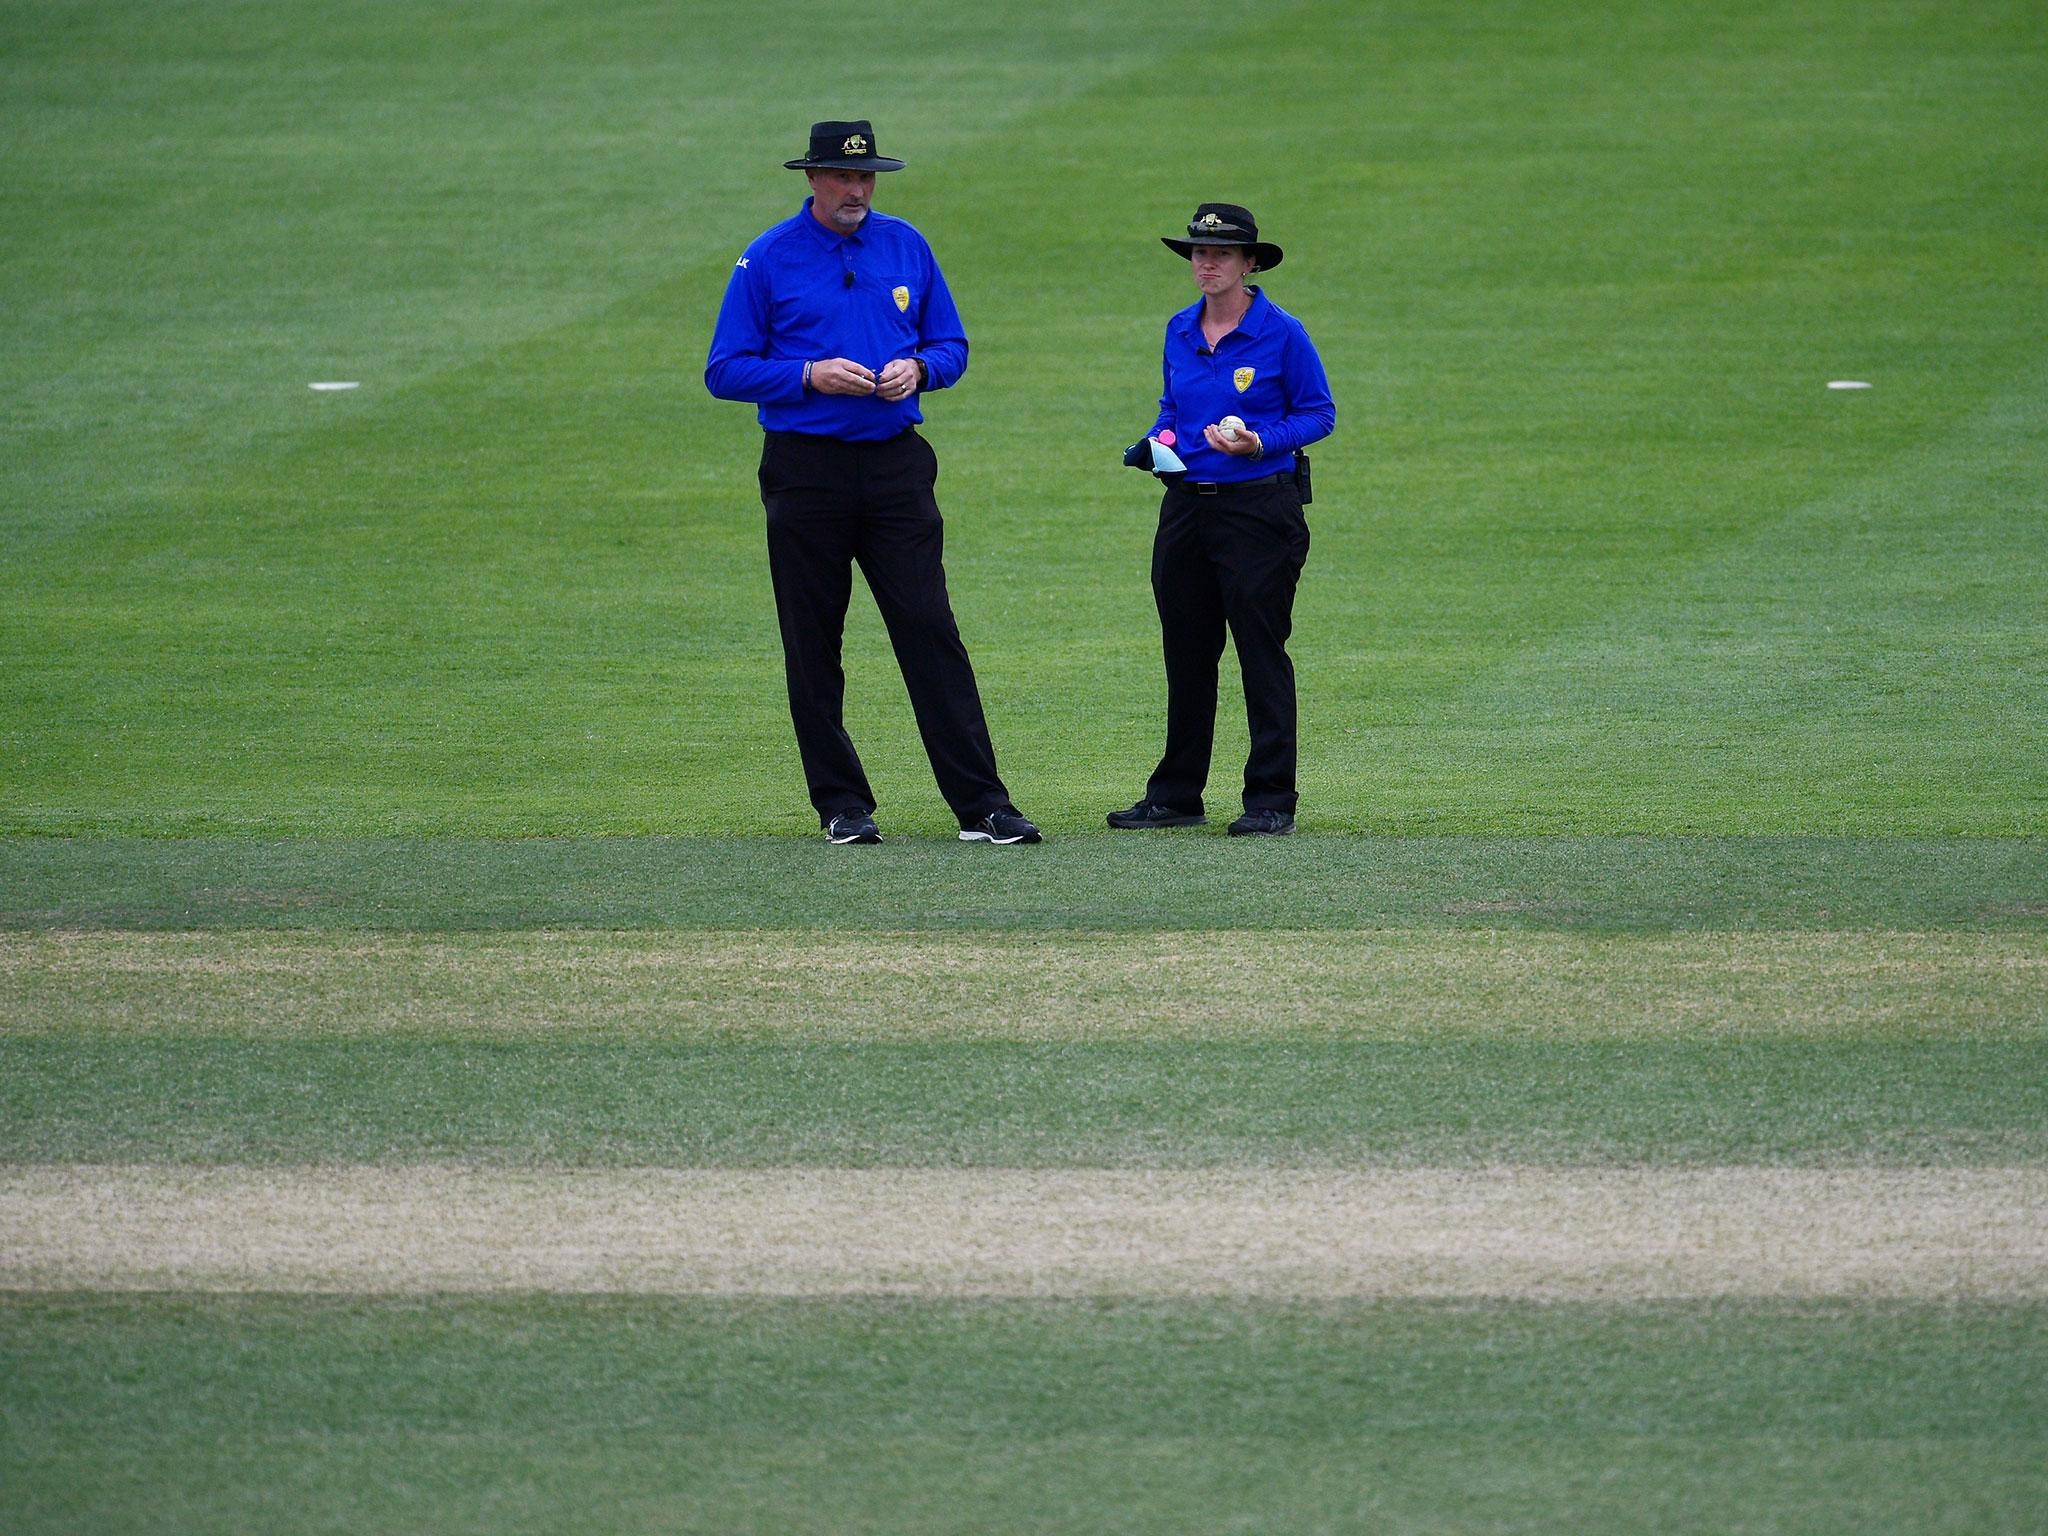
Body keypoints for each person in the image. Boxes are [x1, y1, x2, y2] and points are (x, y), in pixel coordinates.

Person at [705, 120, 1040, 846]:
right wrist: (805, 375)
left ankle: (983, 805)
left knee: (930, 629)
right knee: (814, 640)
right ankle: (842, 805)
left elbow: (951, 344)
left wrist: (919, 369)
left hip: (895, 467)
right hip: (806, 470)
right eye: (843, 177)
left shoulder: (906, 244)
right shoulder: (767, 258)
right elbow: (724, 370)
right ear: (813, 180)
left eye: (867, 178)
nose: (857, 189)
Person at [1110, 203, 1335, 836]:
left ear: (1250, 263)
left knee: (1260, 652)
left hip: (1259, 510)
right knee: (1186, 653)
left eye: (1222, 254)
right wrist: (1156, 441)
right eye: (1198, 254)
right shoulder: (1179, 329)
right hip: (1186, 507)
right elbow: (1170, 409)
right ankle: (1178, 794)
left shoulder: (1281, 332)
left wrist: (1258, 442)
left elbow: (1319, 414)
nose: (1206, 263)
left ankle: (1269, 799)